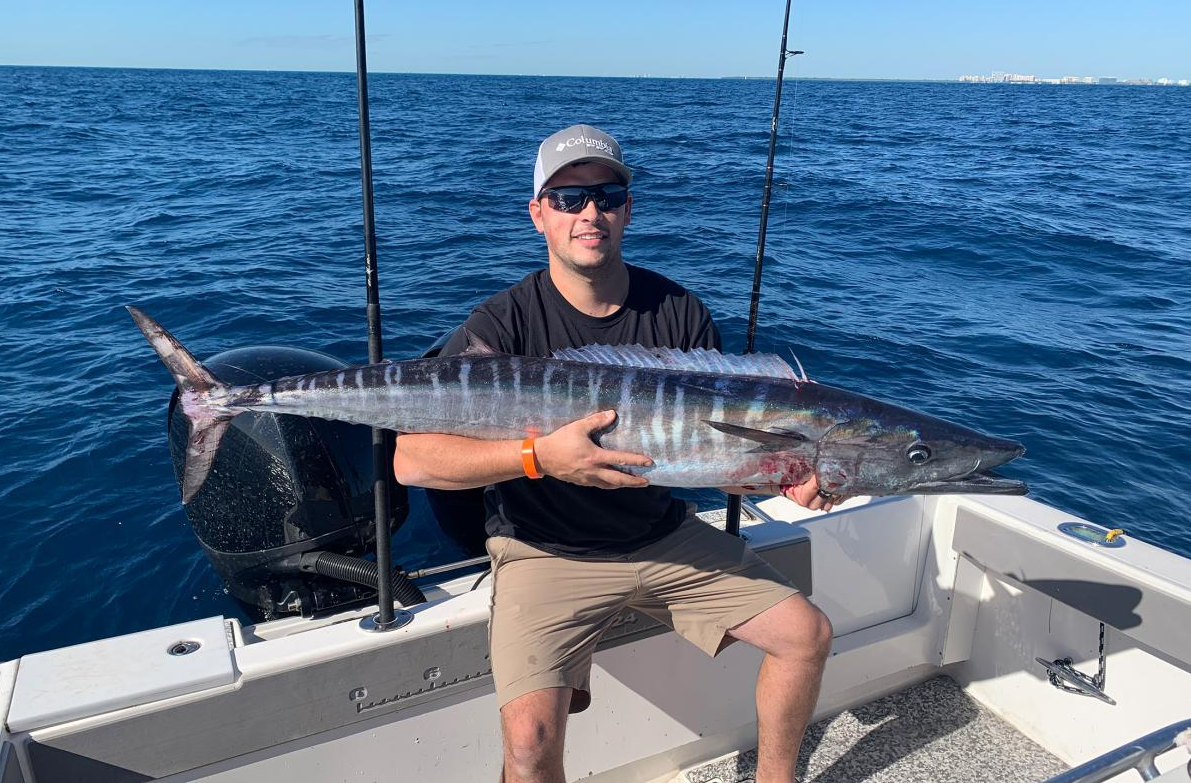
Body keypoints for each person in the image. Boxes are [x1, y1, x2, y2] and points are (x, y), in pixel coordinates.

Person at [393, 124, 835, 783]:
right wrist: (537, 457)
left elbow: (709, 458)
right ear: (537, 214)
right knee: (528, 741)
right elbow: (413, 460)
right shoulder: (500, 325)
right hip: (544, 550)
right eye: (568, 199)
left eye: (606, 195)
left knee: (806, 635)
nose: (589, 213)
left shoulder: (680, 313)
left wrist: (781, 479)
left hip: (663, 535)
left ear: (627, 207)